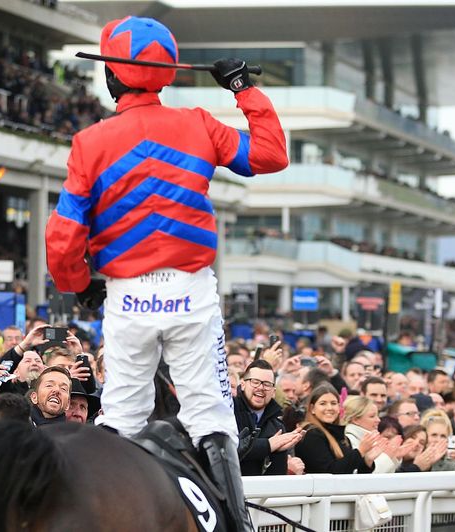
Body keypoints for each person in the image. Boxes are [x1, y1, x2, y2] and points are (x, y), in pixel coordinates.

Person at [45, 16, 288, 530]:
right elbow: (271, 155)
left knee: (122, 417)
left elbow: (62, 236)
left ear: (112, 75)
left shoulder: (90, 141)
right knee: (210, 414)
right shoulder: (199, 123)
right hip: (191, 292)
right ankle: (237, 525)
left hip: (128, 295)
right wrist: (243, 88)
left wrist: (78, 283)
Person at [295, 384, 384, 474]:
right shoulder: (311, 434)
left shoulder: (340, 435)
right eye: (323, 403)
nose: (329, 408)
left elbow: (354, 475)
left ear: (339, 407)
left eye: (333, 403)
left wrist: (367, 460)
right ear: (312, 408)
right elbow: (329, 472)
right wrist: (360, 451)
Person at [233, 360, 301, 476]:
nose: (261, 388)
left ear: (273, 392)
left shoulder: (277, 426)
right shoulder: (229, 413)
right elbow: (228, 451)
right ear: (243, 385)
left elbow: (277, 476)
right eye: (255, 382)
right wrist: (268, 445)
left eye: (267, 384)